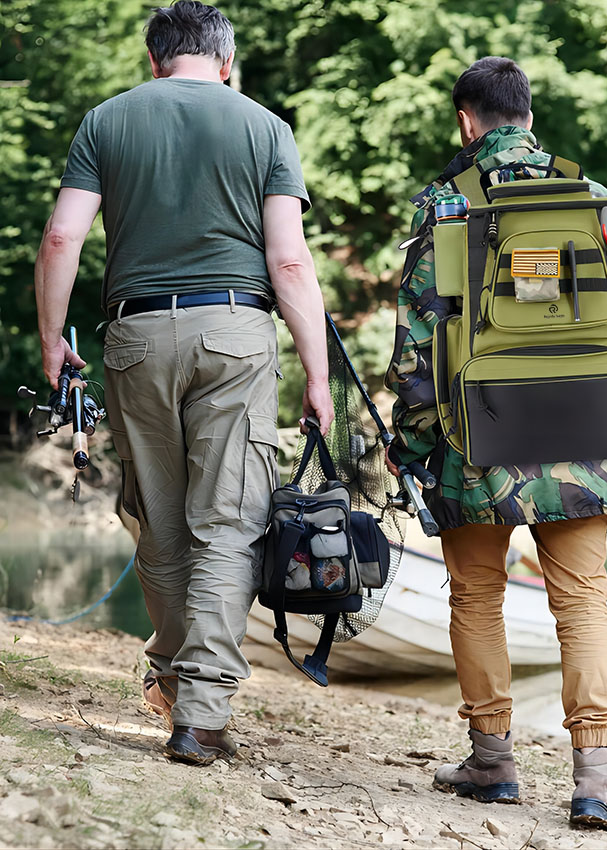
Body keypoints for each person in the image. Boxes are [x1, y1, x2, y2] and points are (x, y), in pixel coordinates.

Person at [385, 57, 607, 831]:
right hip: (589, 438)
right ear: (528, 114)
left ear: (468, 121)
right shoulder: (598, 204)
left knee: (477, 597)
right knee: (583, 603)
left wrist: (412, 443)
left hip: (477, 438)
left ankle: (492, 765)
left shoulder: (444, 208)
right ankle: (596, 780)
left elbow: (417, 348)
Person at [34, 0, 332, 766]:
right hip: (235, 334)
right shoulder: (266, 127)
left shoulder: (107, 120)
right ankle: (199, 712)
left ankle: (169, 679)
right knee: (228, 523)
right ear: (226, 62)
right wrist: (318, 375)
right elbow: (290, 262)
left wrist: (49, 337)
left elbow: (63, 235)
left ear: (152, 57)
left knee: (158, 517)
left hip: (135, 335)